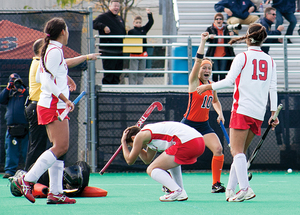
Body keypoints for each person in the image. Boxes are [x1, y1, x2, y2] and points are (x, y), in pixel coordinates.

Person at [13, 17, 99, 204]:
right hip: (52, 104)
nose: (68, 33)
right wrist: (65, 98)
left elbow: (47, 73)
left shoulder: (53, 50)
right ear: (62, 32)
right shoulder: (53, 50)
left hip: (52, 104)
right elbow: (45, 81)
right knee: (60, 147)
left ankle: (56, 192)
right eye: (67, 29)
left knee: (59, 149)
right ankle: (27, 180)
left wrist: (65, 78)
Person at [196, 23, 279, 202]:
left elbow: (229, 81)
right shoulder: (270, 60)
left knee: (236, 151)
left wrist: (209, 86)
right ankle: (231, 190)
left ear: (248, 38)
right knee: (239, 152)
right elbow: (273, 88)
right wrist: (274, 113)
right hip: (259, 112)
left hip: (242, 109)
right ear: (263, 39)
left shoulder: (242, 57)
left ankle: (245, 188)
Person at [181, 32, 226, 193]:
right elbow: (198, 59)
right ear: (199, 70)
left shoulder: (211, 85)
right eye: (204, 68)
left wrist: (220, 113)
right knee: (176, 154)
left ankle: (216, 184)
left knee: (218, 149)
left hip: (204, 126)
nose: (207, 70)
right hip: (188, 124)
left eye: (209, 68)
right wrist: (203, 41)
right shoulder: (194, 82)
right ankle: (169, 183)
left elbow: (215, 101)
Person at [121, 121, 205, 202]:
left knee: (151, 169)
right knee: (171, 159)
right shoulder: (149, 135)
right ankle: (179, 190)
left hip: (187, 142)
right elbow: (147, 159)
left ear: (133, 138)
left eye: (131, 146)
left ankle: (176, 191)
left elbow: (129, 160)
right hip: (199, 142)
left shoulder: (141, 135)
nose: (133, 148)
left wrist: (123, 143)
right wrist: (137, 146)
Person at [24, 38, 50, 172]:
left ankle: (33, 176)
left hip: (37, 107)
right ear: (41, 50)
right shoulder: (40, 63)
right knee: (37, 146)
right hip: (37, 107)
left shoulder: (39, 63)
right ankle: (28, 177)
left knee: (39, 145)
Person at [0, 73, 29, 179]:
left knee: (27, 149)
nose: (15, 84)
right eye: (13, 81)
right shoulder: (8, 93)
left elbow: (31, 98)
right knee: (11, 150)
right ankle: (9, 171)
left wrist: (22, 90)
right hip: (11, 127)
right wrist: (8, 88)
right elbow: (1, 99)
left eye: (16, 81)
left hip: (25, 126)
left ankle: (30, 169)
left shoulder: (26, 91)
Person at [93, 0, 126, 84]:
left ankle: (115, 93)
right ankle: (106, 94)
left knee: (117, 74)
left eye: (118, 6)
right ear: (110, 6)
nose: (116, 8)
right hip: (108, 51)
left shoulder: (119, 18)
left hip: (119, 51)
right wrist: (103, 27)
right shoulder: (104, 17)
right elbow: (93, 23)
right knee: (109, 74)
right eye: (115, 6)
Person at [205, 13, 235, 82]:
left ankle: (222, 88)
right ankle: (215, 88)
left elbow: (234, 37)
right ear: (214, 21)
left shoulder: (227, 28)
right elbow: (205, 37)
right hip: (214, 55)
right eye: (217, 19)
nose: (219, 20)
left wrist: (232, 34)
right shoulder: (210, 28)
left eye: (220, 19)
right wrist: (209, 36)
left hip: (224, 54)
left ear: (222, 20)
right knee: (215, 72)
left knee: (223, 73)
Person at [128, 8, 154, 85]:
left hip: (142, 53)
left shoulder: (144, 29)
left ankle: (140, 85)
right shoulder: (131, 31)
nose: (138, 24)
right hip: (134, 54)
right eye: (137, 22)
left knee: (141, 71)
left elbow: (151, 22)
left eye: (140, 22)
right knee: (133, 71)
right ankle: (132, 86)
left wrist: (149, 14)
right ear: (133, 23)